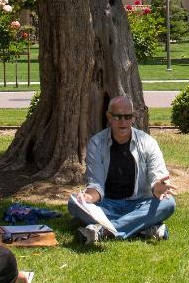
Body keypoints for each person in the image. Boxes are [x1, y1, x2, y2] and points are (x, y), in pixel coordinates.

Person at [68, 96, 175, 244]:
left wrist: (158, 188)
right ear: (109, 117)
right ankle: (143, 228)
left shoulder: (148, 142)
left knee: (168, 203)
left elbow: (158, 176)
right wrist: (88, 198)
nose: (123, 121)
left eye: (127, 116)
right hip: (107, 204)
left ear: (133, 118)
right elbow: (95, 184)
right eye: (117, 117)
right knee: (74, 203)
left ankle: (104, 231)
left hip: (139, 203)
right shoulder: (97, 143)